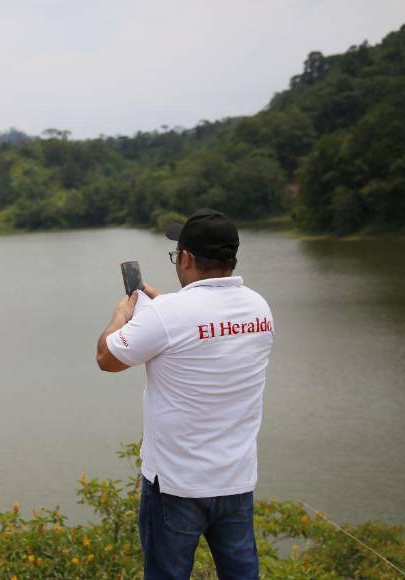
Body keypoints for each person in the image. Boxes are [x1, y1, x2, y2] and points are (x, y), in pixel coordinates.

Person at [95, 208, 274, 580]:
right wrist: (162, 309)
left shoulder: (167, 314)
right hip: (236, 480)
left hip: (176, 486)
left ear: (187, 258)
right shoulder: (259, 307)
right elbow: (204, 328)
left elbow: (106, 359)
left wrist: (121, 317)